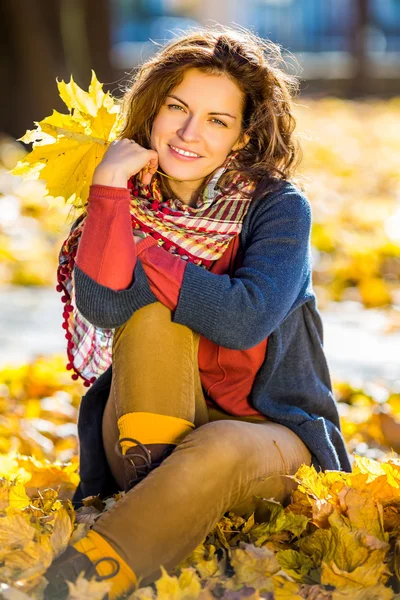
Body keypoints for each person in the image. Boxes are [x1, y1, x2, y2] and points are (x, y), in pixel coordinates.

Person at [45, 24, 352, 599]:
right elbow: (106, 303)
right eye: (177, 108)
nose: (189, 133)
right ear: (152, 112)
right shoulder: (123, 198)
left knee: (218, 447)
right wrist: (109, 189)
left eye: (217, 120)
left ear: (240, 138)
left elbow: (243, 318)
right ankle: (168, 515)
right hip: (143, 429)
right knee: (150, 316)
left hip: (265, 439)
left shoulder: (278, 209)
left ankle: (75, 584)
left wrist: (141, 248)